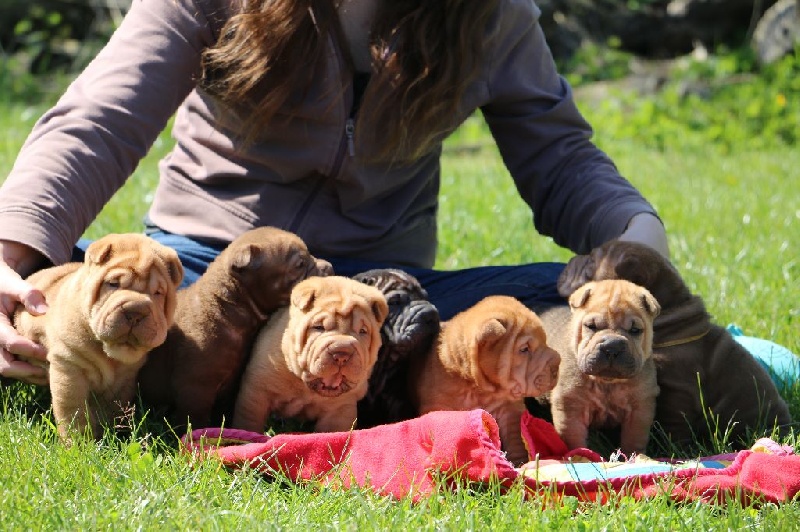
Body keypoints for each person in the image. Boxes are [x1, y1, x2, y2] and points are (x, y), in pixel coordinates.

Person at [0, 0, 668, 387]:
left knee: (560, 307)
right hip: (210, 274)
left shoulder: (487, 12)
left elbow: (558, 155)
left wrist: (637, 237)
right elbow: (101, 119)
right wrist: (11, 254)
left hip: (388, 300)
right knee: (68, 299)